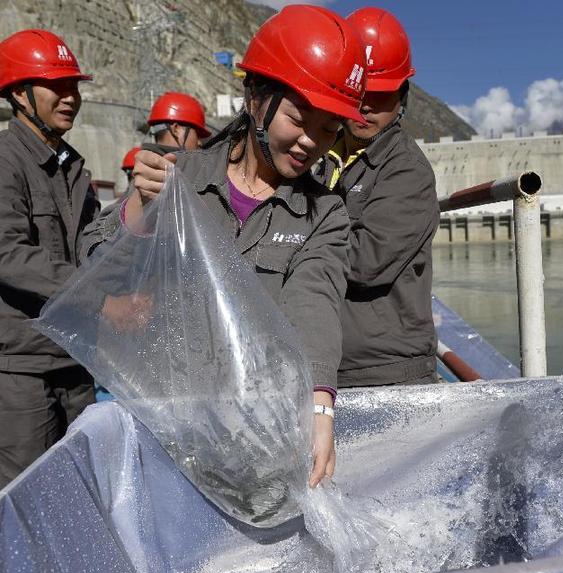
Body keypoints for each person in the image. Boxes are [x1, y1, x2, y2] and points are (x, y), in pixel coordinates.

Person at [81, 5, 367, 487]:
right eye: (299, 119)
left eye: (327, 130)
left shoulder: (326, 213)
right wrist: (141, 213)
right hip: (162, 431)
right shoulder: (178, 177)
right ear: (256, 97)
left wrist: (320, 404)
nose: (309, 143)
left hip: (255, 438)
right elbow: (95, 269)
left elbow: (313, 301)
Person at [311, 7, 440, 388]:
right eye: (359, 91)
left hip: (384, 371)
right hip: (328, 362)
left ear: (403, 97)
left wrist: (290, 241)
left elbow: (365, 261)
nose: (366, 105)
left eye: (381, 96)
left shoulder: (407, 171)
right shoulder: (319, 155)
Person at [0, 29, 99, 488]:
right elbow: (8, 254)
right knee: (24, 497)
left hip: (74, 359)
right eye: (56, 86)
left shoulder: (72, 167)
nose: (70, 97)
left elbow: (96, 247)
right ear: (20, 95)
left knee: (79, 491)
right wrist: (96, 295)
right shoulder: (4, 161)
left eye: (74, 86)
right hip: (22, 371)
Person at [144, 91, 210, 154]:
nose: (199, 143)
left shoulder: (143, 162)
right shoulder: (179, 164)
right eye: (197, 135)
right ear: (176, 130)